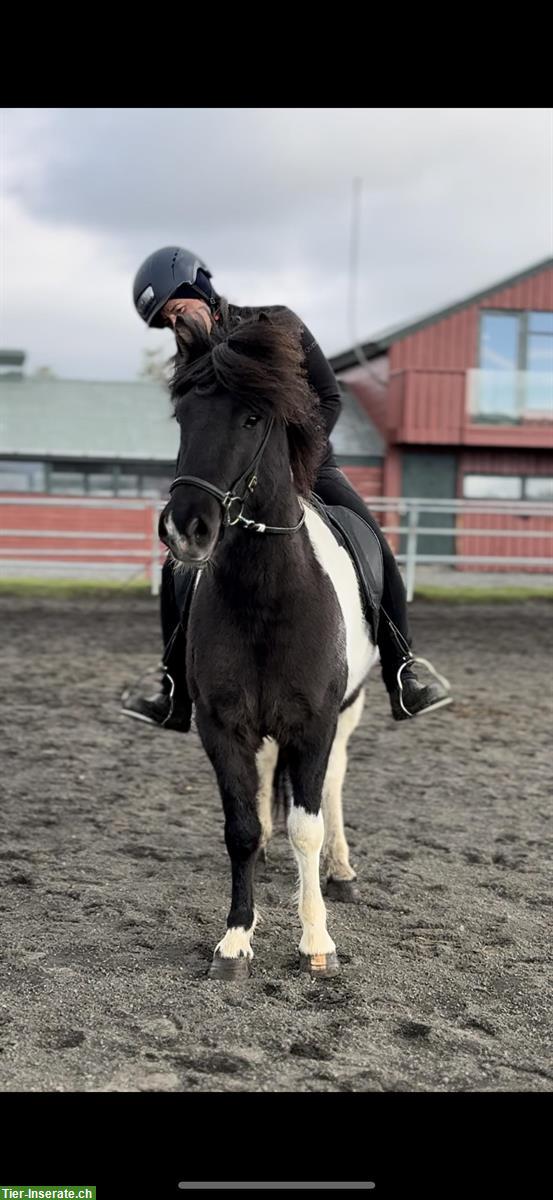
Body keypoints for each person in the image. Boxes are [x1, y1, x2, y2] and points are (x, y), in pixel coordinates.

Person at [122, 245, 452, 731]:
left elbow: (329, 396)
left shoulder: (277, 323)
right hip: (231, 480)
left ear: (201, 288)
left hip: (307, 466)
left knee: (373, 544)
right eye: (169, 320)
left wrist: (298, 461)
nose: (177, 323)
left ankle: (403, 668)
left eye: (178, 308)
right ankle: (173, 687)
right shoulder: (193, 356)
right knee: (180, 565)